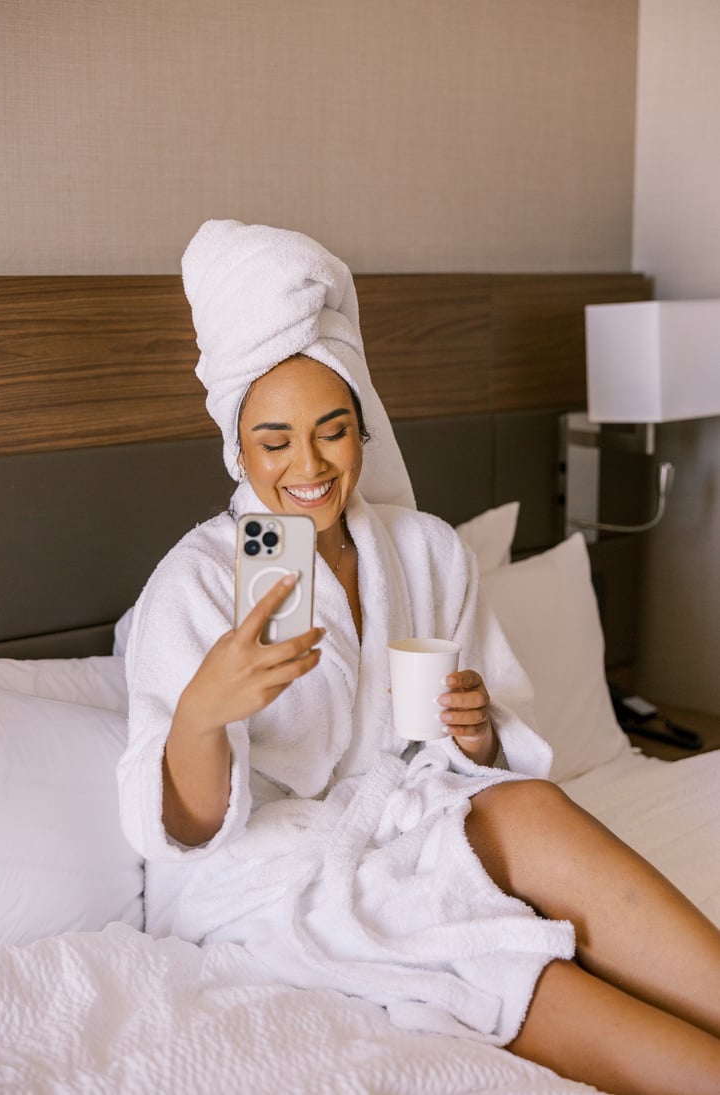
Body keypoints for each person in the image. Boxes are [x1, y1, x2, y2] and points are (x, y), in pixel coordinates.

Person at [119, 220, 720, 1095]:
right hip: (270, 882)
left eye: (333, 431)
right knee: (498, 958)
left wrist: (476, 733)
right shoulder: (197, 582)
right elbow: (182, 830)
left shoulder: (429, 550)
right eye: (274, 442)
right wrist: (204, 711)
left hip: (410, 818)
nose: (309, 467)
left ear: (364, 428)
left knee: (531, 807)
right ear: (237, 449)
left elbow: (478, 750)